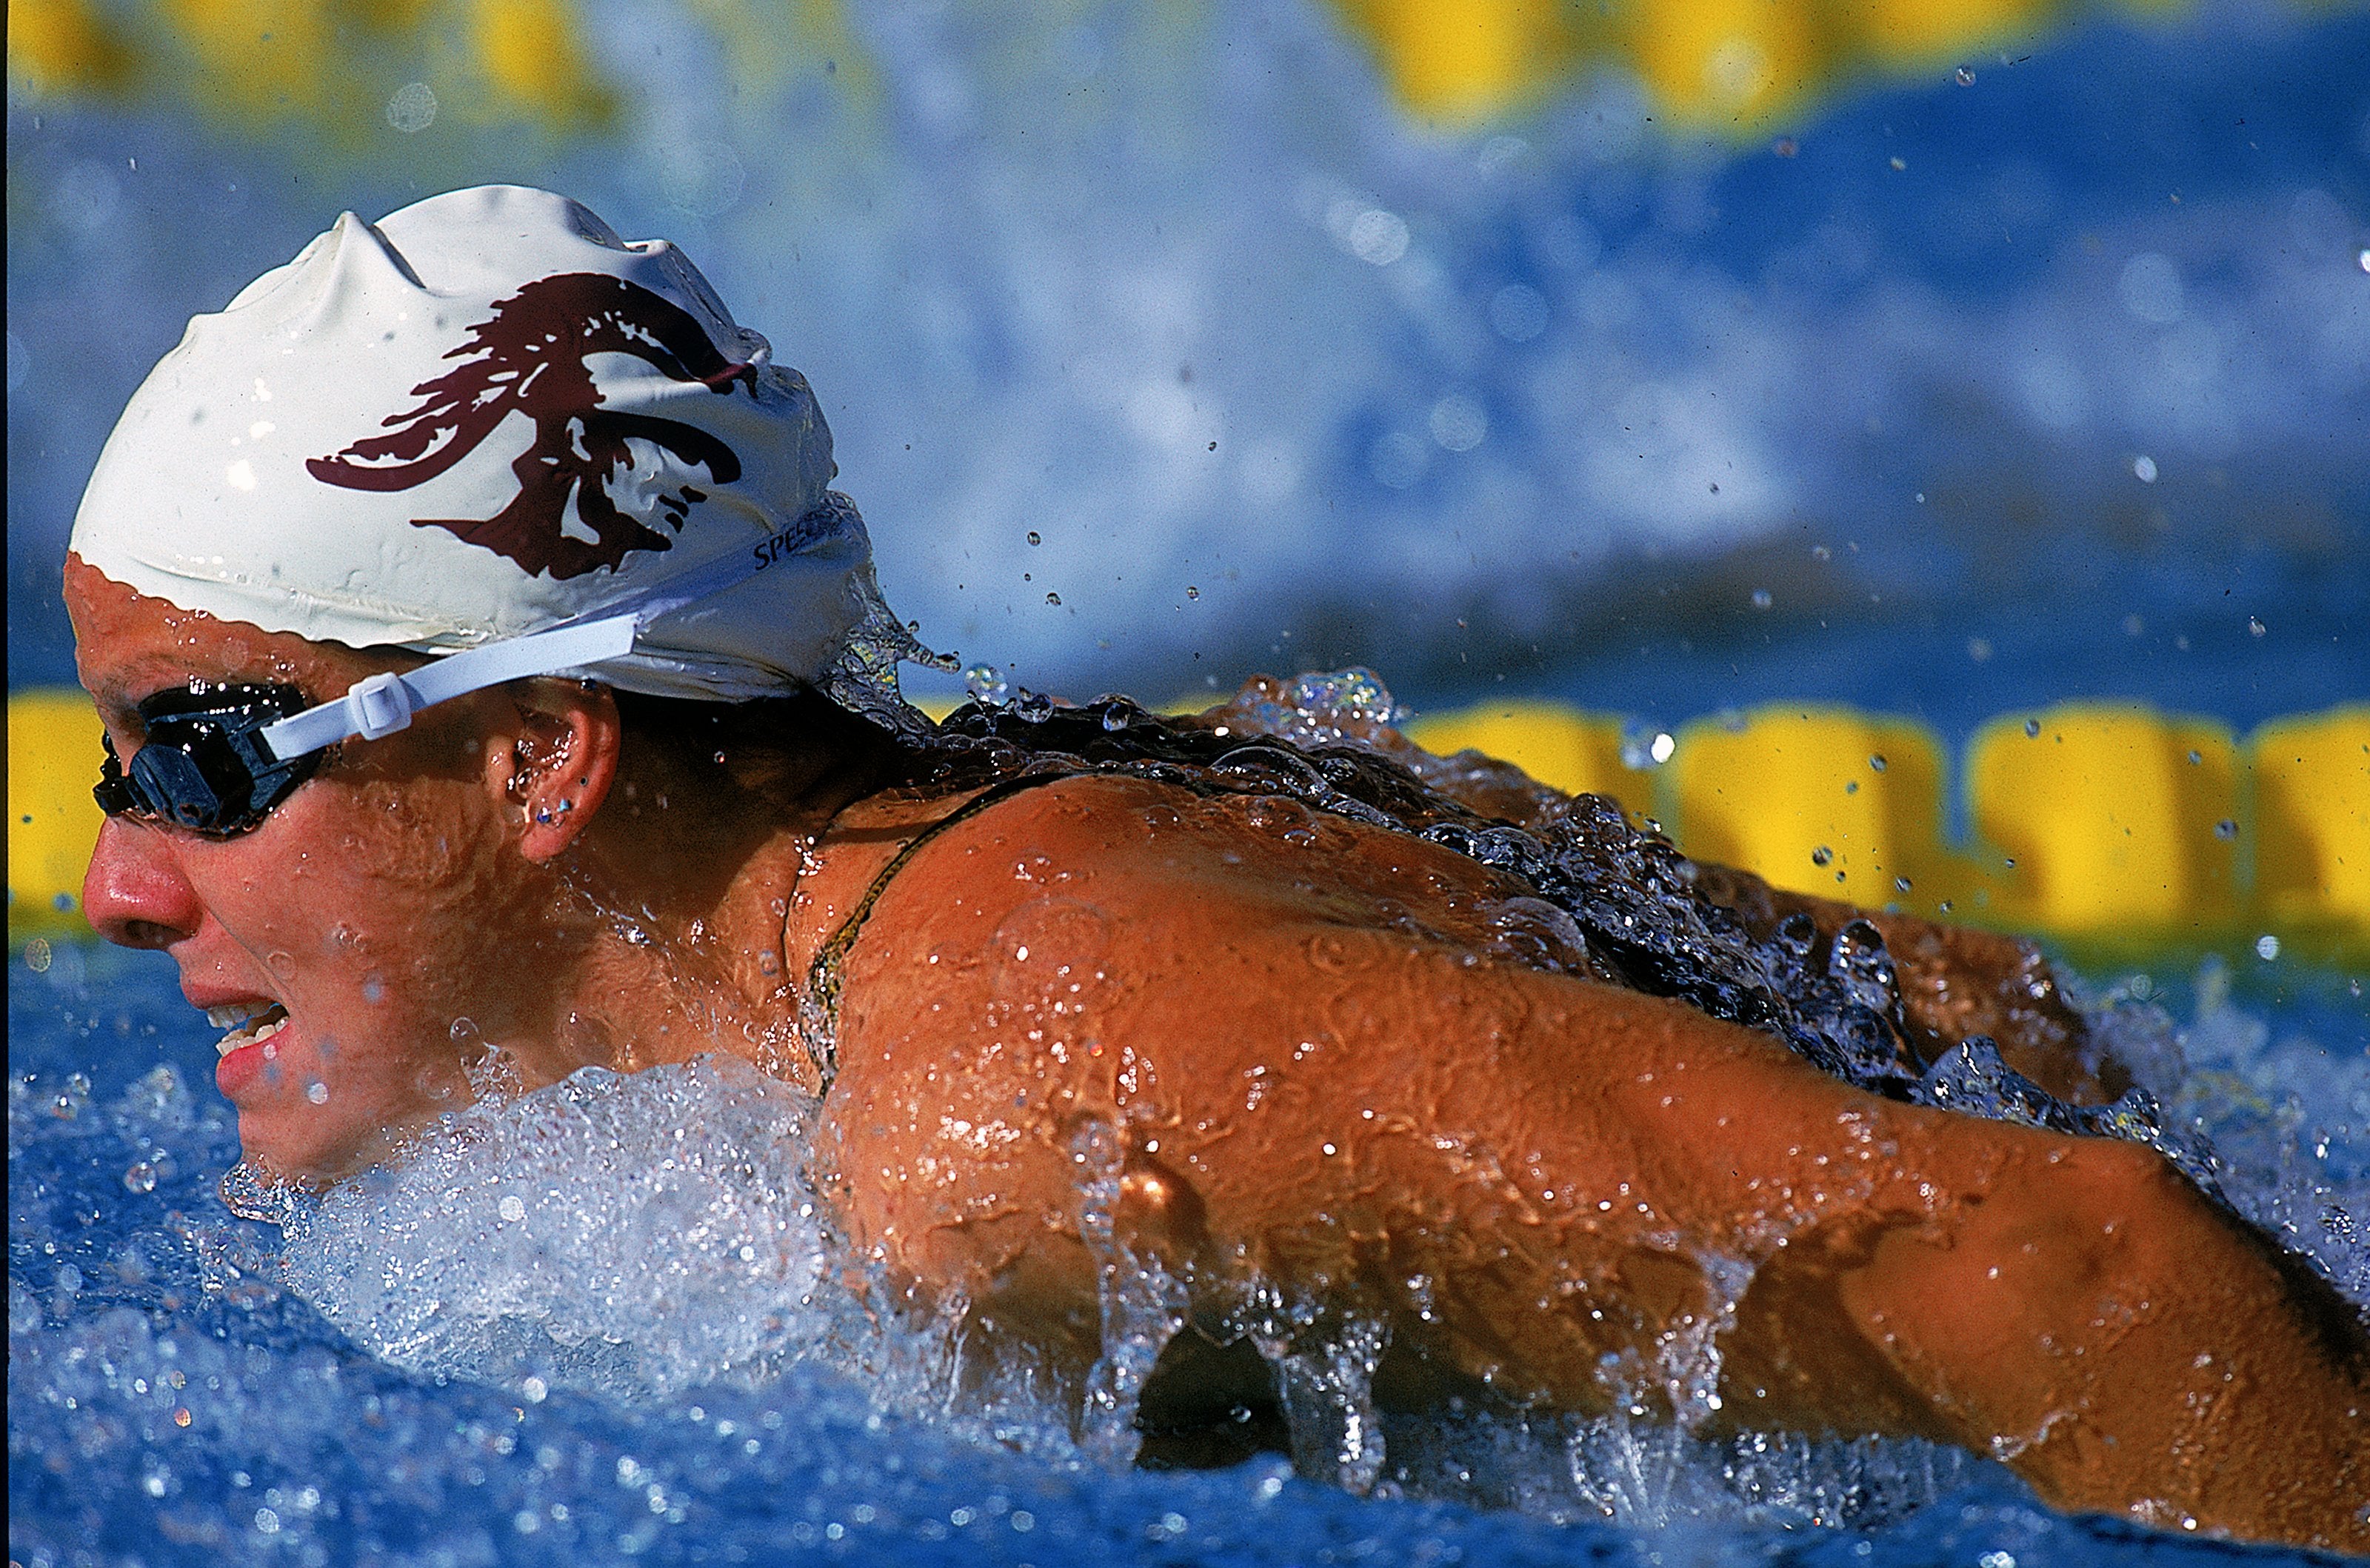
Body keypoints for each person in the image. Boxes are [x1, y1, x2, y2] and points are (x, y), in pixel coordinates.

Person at [64, 187, 2365, 1549]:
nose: (112, 884)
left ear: (541, 758)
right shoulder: (1005, 823)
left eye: (193, 757)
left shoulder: (1011, 1106)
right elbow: (1967, 1009)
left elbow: (2080, 1255)